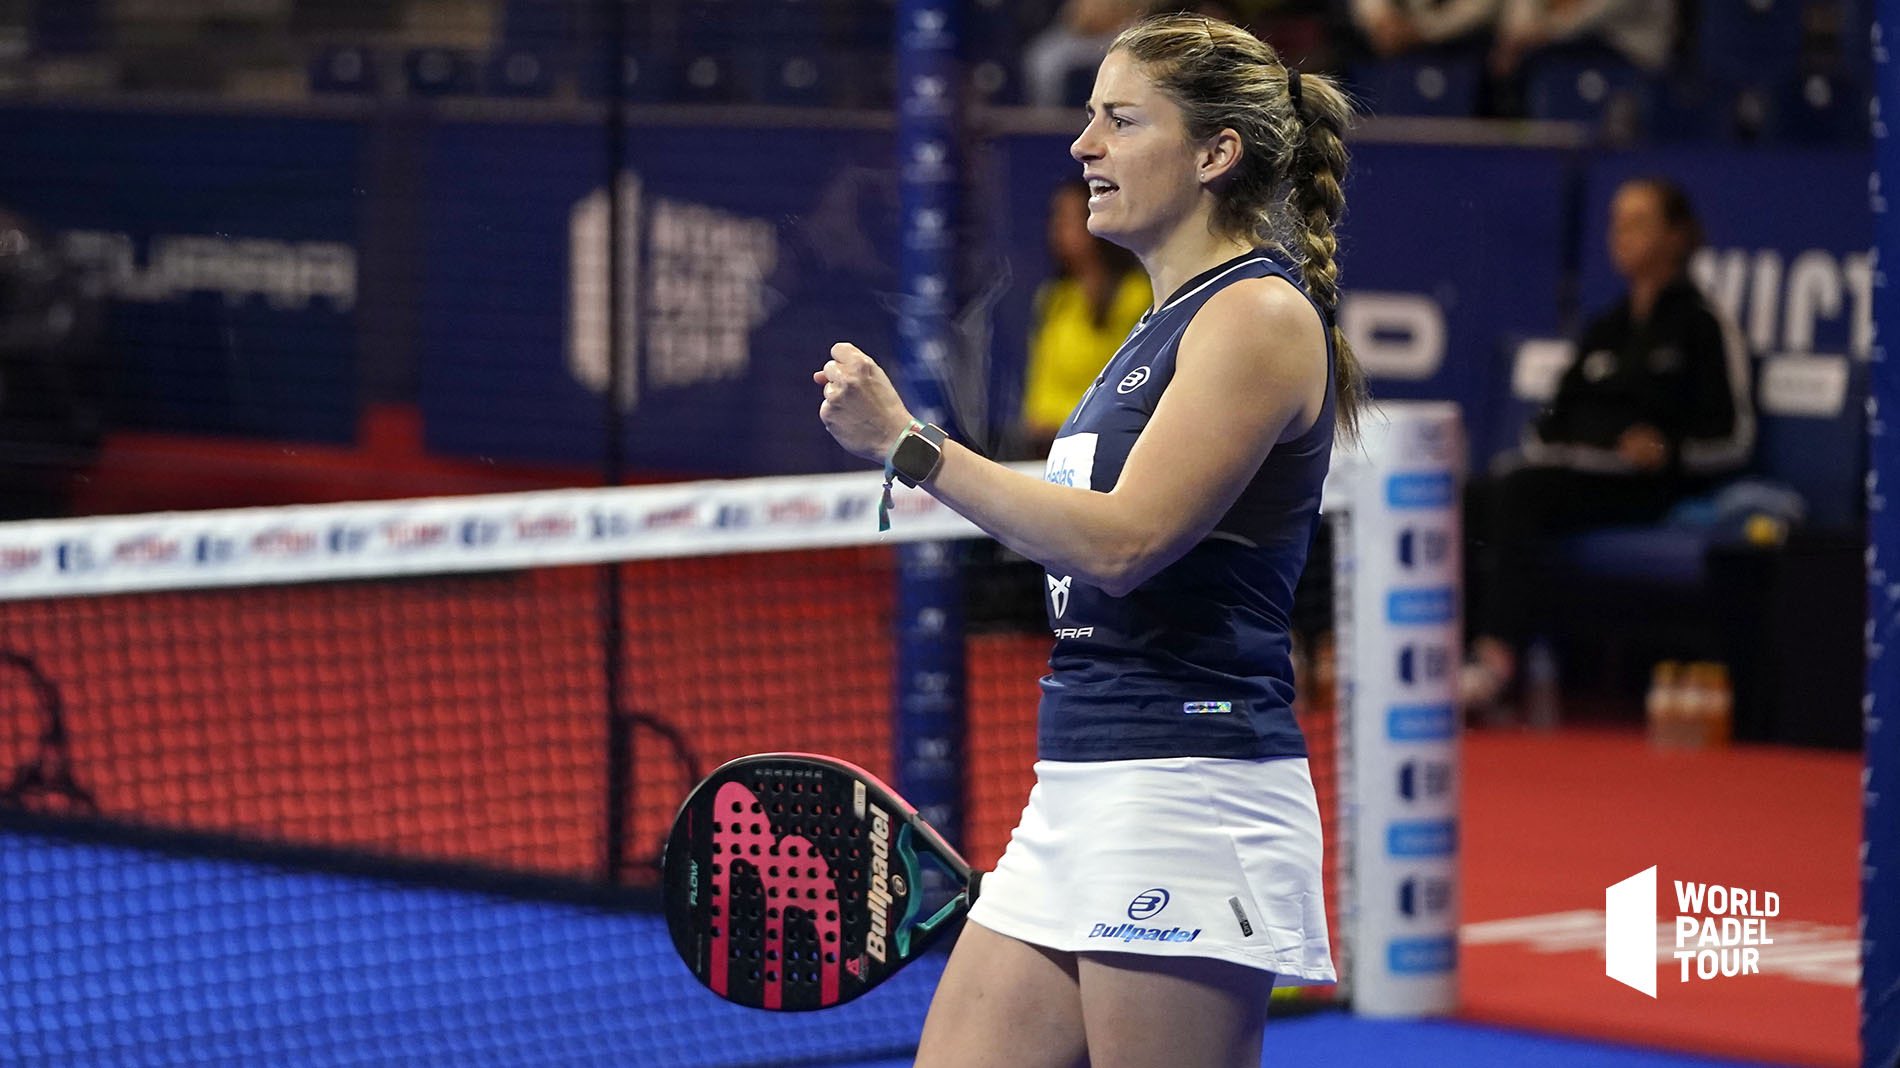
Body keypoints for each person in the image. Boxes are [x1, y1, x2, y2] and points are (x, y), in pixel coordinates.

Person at [814, 14, 1363, 1065]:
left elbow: (1123, 544)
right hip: (1077, 781)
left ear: (1213, 153)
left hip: (1188, 792)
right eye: (1086, 117)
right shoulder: (1157, 324)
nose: (1083, 146)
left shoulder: (1256, 318)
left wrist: (911, 447)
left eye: (1119, 119)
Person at [1462, 176, 1753, 712]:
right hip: (1580, 478)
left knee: (1520, 494)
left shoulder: (1705, 325)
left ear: (1677, 236)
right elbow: (1548, 423)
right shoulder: (1606, 327)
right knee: (1474, 496)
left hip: (1653, 490)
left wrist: (1668, 451)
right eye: (1616, 222)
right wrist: (1573, 443)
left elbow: (1733, 438)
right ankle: (1450, 657)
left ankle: (1496, 660)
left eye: (1639, 222)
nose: (1621, 235)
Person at [1018, 178, 1152, 459]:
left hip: (1099, 447)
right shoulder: (1055, 296)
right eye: (1055, 218)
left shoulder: (1136, 297)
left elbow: (1131, 384)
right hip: (1042, 447)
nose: (1056, 229)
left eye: (1068, 219)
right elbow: (1041, 380)